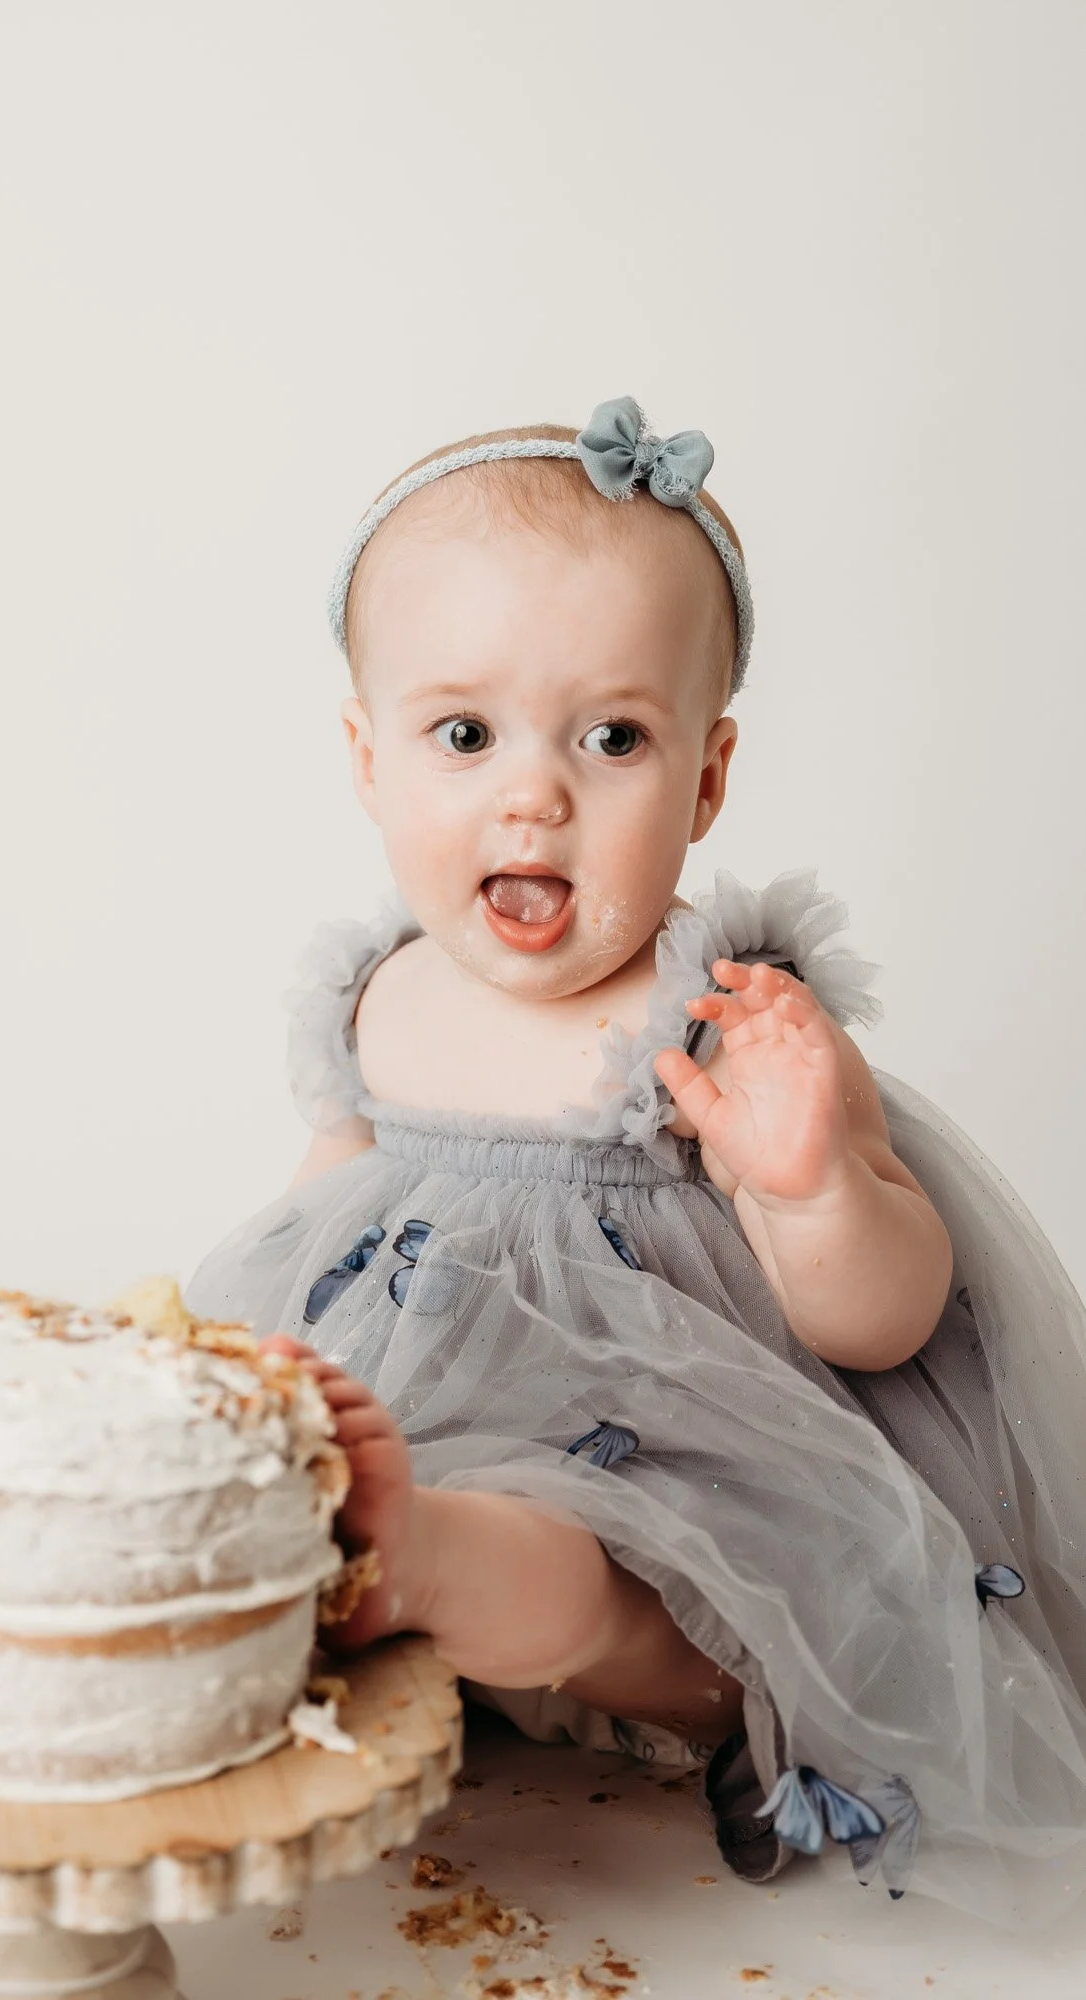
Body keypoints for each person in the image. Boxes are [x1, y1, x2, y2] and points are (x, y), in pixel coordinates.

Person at [185, 396, 1086, 1929]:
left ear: (708, 780)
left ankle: (435, 1568)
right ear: (366, 758)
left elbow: (880, 1321)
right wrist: (230, 1379)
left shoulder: (726, 1022)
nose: (533, 794)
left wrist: (808, 1184)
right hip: (424, 1402)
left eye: (612, 738)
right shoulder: (375, 994)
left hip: (676, 1484)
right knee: (266, 1491)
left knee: (605, 1579)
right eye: (463, 735)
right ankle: (388, 1605)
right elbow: (316, 1211)